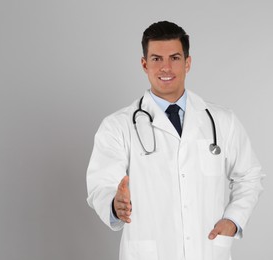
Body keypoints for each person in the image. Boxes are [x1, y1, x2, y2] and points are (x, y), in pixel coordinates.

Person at [86, 21, 264, 260]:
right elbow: (101, 185)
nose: (166, 67)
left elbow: (249, 176)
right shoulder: (118, 125)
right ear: (144, 64)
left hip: (207, 251)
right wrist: (114, 205)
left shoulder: (222, 121)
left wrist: (233, 220)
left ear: (188, 63)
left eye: (175, 58)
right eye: (157, 58)